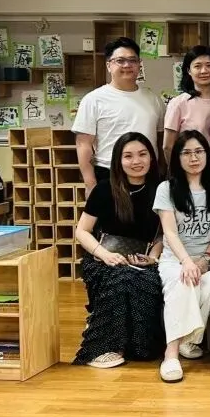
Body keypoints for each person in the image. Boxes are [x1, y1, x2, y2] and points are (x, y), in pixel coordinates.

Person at [72, 132, 163, 369]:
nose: (136, 161)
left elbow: (163, 234)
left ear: (151, 158)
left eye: (142, 154)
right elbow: (82, 231)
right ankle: (104, 348)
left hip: (142, 259)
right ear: (118, 160)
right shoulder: (104, 189)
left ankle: (137, 345)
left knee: (149, 280)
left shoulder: (161, 189)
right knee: (121, 278)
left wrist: (153, 257)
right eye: (128, 156)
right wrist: (105, 255)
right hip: (103, 257)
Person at [153, 131, 210, 383]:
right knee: (184, 282)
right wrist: (187, 262)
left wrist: (205, 259)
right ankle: (171, 354)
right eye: (186, 153)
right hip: (175, 258)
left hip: (209, 260)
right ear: (177, 158)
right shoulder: (166, 189)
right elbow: (169, 232)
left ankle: (190, 339)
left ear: (208, 155)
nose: (194, 158)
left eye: (199, 152)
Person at [73, 37, 165, 196]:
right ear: (109, 65)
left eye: (132, 60)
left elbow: (160, 139)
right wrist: (90, 184)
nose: (127, 65)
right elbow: (83, 144)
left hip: (148, 174)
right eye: (120, 61)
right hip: (109, 174)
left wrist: (162, 173)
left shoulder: (153, 99)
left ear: (139, 64)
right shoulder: (93, 99)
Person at [164, 45, 210, 168]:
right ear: (188, 71)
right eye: (197, 66)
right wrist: (177, 173)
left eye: (209, 65)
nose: (204, 71)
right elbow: (168, 146)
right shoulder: (179, 103)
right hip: (189, 172)